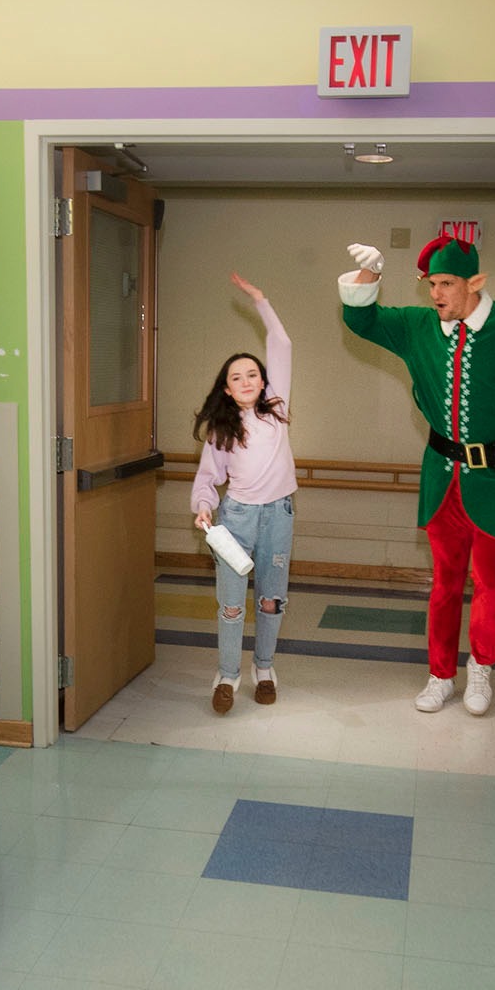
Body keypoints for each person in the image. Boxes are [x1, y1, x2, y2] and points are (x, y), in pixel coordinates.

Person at [340, 235, 495, 716]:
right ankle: (440, 675)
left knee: (491, 582)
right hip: (441, 474)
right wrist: (370, 276)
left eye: (448, 284)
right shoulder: (418, 326)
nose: (437, 294)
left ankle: (481, 672)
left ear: (475, 282)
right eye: (432, 284)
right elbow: (361, 319)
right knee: (444, 584)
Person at [191, 273, 296, 714]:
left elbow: (282, 344)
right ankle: (228, 675)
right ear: (227, 389)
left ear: (263, 381)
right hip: (235, 520)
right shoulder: (221, 429)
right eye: (238, 377)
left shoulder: (277, 409)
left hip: (278, 516)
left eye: (254, 373)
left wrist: (261, 300)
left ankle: (265, 669)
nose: (248, 380)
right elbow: (206, 479)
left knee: (270, 600)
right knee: (232, 606)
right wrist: (202, 508)